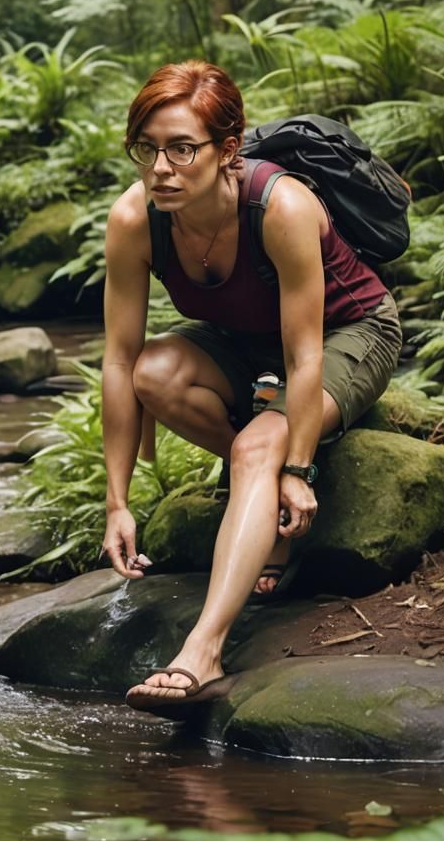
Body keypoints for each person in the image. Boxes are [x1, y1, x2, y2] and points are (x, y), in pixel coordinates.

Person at [100, 60, 402, 712]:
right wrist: (116, 502)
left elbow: (304, 350)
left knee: (256, 452)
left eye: (181, 148)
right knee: (154, 371)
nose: (160, 169)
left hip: (351, 333)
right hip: (246, 347)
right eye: (146, 149)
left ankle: (202, 651)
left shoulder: (281, 206)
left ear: (227, 150)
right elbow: (119, 361)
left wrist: (295, 466)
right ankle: (258, 500)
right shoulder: (135, 219)